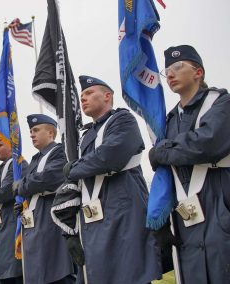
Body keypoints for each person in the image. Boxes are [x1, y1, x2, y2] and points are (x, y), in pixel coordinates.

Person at [53, 76, 161, 283]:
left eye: (89, 93)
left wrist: (74, 168)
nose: (83, 98)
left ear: (107, 96)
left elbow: (109, 156)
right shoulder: (86, 134)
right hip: (94, 215)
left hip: (122, 208)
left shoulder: (123, 120)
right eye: (82, 95)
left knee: (128, 273)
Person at [149, 45, 230, 283]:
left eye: (177, 66)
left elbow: (206, 144)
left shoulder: (221, 102)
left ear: (198, 72)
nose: (170, 74)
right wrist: (161, 219)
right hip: (187, 220)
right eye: (167, 71)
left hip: (220, 203)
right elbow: (169, 170)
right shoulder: (170, 120)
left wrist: (162, 151)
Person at [14, 114, 75, 284]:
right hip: (35, 223)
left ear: (50, 132)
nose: (31, 134)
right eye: (30, 131)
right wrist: (25, 204)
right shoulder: (36, 159)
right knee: (38, 276)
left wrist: (21, 186)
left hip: (51, 223)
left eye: (36, 130)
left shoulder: (61, 151)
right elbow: (32, 185)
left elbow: (48, 178)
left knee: (57, 274)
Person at [0, 137, 28, 284]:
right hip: (1, 229)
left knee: (12, 274)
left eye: (0, 144)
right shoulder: (2, 168)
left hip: (11, 226)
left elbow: (7, 190)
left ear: (12, 146)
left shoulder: (18, 164)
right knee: (2, 276)